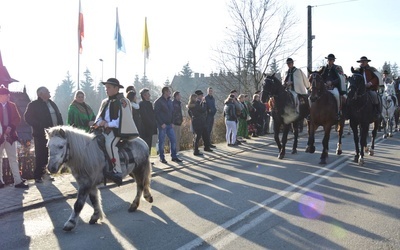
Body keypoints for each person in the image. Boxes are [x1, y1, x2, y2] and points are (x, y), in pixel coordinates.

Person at [94, 78, 139, 185]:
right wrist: (100, 122)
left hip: (117, 131)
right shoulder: (105, 102)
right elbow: (99, 117)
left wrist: (108, 124)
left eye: (108, 87)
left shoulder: (124, 101)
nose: (106, 89)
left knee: (110, 144)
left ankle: (117, 170)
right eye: (106, 87)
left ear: (116, 88)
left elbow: (122, 120)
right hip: (103, 129)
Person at [24, 86, 63, 183]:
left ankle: (46, 174)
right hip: (40, 134)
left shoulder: (52, 103)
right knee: (41, 154)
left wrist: (61, 126)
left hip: (54, 134)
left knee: (50, 154)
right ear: (41, 94)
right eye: (47, 91)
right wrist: (38, 125)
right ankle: (38, 175)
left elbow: (59, 115)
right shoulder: (34, 104)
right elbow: (27, 117)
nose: (49, 92)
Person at [0, 86, 28, 189]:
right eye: (6, 95)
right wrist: (3, 129)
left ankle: (17, 181)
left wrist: (10, 127)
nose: (8, 96)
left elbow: (18, 118)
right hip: (0, 136)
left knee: (13, 159)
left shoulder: (12, 105)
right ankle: (0, 181)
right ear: (1, 96)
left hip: (11, 135)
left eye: (8, 95)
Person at [154, 87, 182, 164]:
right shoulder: (158, 102)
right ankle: (162, 157)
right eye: (169, 91)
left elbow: (173, 112)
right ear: (165, 92)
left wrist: (173, 122)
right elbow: (156, 114)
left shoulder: (170, 101)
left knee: (173, 140)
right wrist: (161, 123)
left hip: (170, 124)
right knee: (162, 142)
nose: (170, 92)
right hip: (162, 125)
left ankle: (174, 156)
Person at [320, 54, 346, 120]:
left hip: (334, 87)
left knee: (337, 95)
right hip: (325, 88)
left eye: (331, 60)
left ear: (333, 60)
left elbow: (340, 78)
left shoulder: (337, 68)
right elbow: (321, 77)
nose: (329, 61)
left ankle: (338, 112)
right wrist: (324, 83)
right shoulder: (324, 69)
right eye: (328, 60)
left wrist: (332, 82)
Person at [187, 90, 213, 156]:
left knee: (205, 134)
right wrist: (204, 103)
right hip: (199, 122)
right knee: (198, 136)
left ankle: (206, 147)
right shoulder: (196, 105)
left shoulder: (191, 105)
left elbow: (190, 113)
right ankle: (196, 150)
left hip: (199, 121)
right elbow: (203, 110)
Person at [139, 88, 157, 154]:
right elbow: (145, 117)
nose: (149, 95)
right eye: (148, 94)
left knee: (153, 145)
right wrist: (151, 124)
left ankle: (153, 159)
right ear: (144, 95)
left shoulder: (150, 104)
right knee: (147, 145)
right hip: (147, 129)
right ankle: (147, 160)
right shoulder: (142, 104)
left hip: (153, 128)